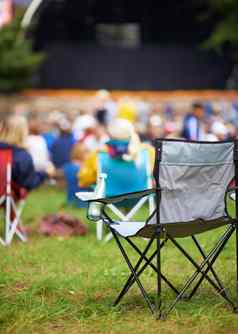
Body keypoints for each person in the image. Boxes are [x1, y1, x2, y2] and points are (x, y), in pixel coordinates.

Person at [79, 118, 154, 197]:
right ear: (132, 132)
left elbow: (84, 180)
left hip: (108, 198)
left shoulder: (98, 154)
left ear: (109, 134)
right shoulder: (148, 151)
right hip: (141, 196)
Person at [0, 115, 55, 193]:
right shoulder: (21, 156)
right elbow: (29, 183)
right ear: (23, 133)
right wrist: (46, 173)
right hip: (7, 199)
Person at [62, 142, 90, 207]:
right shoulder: (82, 169)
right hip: (82, 202)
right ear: (80, 153)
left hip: (70, 200)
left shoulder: (68, 166)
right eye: (87, 151)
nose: (89, 154)